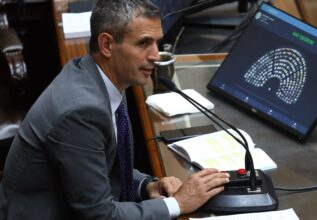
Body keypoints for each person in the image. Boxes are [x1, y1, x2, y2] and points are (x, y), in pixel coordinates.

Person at [0, 0, 230, 219]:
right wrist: (177, 204)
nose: (156, 56)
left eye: (157, 43)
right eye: (143, 43)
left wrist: (147, 185)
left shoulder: (102, 76)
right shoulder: (80, 111)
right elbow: (99, 215)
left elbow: (99, 164)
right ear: (107, 45)